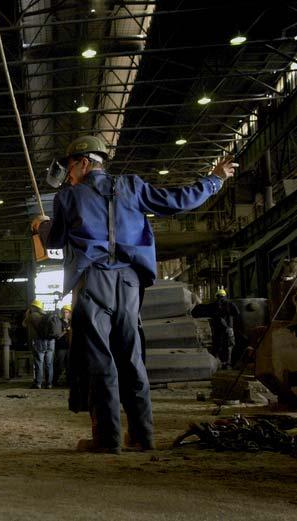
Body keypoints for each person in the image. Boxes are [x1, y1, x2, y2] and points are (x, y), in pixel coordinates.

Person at [34, 135, 236, 453]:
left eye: (70, 168)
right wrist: (214, 180)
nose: (68, 175)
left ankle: (107, 439)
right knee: (131, 357)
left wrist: (41, 225)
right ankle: (143, 435)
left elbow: (55, 240)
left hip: (93, 281)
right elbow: (177, 201)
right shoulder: (131, 186)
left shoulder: (69, 196)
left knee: (100, 359)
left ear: (84, 163)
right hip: (129, 283)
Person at [193, 289, 240, 369]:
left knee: (217, 345)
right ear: (225, 296)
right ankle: (227, 364)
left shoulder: (213, 305)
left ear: (217, 296)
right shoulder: (230, 304)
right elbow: (237, 313)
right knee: (229, 346)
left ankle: (217, 363)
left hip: (217, 329)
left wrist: (196, 303)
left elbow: (198, 311)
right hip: (228, 329)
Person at [22, 300, 55, 389]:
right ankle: (49, 384)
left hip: (40, 341)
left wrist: (27, 314)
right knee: (49, 363)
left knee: (39, 362)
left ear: (34, 307)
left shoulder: (32, 315)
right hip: (51, 341)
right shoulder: (47, 315)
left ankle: (38, 383)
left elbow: (24, 324)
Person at [53, 304, 72, 387]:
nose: (65, 314)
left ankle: (68, 382)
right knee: (59, 365)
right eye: (63, 312)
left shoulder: (71, 322)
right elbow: (57, 336)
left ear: (70, 313)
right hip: (61, 347)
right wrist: (65, 331)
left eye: (67, 312)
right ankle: (55, 381)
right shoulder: (58, 322)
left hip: (70, 347)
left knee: (69, 366)